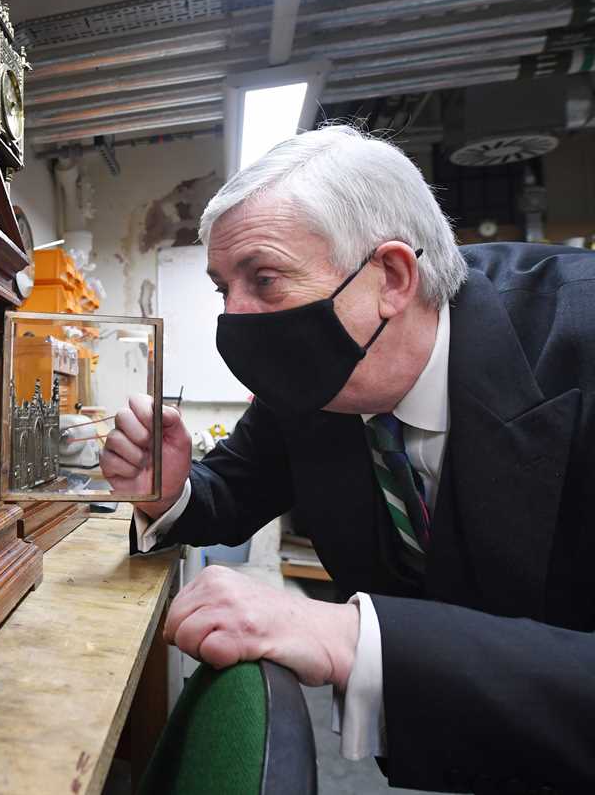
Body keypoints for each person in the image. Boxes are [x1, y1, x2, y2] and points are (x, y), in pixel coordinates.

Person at [100, 125, 595, 792]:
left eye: (265, 279)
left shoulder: (579, 338)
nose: (236, 321)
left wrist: (349, 636)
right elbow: (233, 490)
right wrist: (168, 489)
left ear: (390, 277)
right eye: (223, 289)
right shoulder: (315, 380)